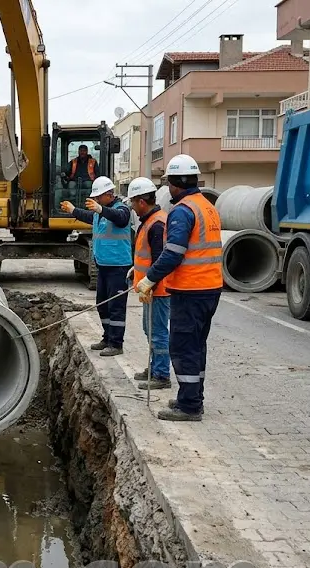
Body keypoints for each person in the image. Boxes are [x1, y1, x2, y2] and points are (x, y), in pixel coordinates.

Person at [135, 155, 222, 422]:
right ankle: (192, 397)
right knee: (197, 346)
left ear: (174, 184)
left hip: (191, 289)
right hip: (210, 288)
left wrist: (149, 279)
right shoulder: (206, 206)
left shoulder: (183, 211)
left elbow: (173, 252)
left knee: (184, 346)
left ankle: (189, 406)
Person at [60, 176, 132, 356]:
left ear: (109, 194)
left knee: (116, 307)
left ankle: (116, 344)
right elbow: (89, 216)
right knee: (102, 304)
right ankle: (107, 337)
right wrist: (73, 210)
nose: (96, 200)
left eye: (99, 197)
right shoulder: (101, 213)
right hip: (103, 266)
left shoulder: (121, 208)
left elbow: (121, 218)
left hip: (118, 267)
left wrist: (101, 209)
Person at [124, 177, 171, 390]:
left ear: (142, 202)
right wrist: (137, 269)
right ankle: (154, 367)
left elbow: (161, 258)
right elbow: (150, 255)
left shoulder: (156, 224)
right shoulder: (150, 221)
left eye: (133, 202)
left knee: (158, 331)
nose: (132, 207)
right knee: (149, 328)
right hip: (149, 287)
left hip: (157, 289)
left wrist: (149, 283)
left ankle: (161, 374)